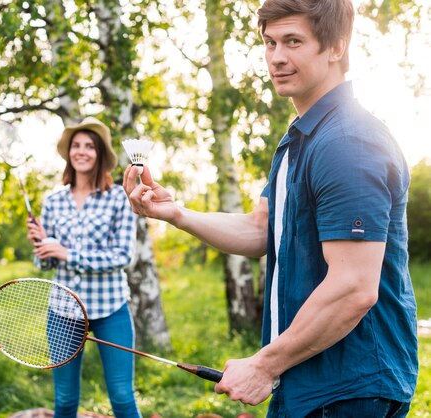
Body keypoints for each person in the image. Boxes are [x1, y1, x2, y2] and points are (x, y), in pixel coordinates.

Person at [123, 0, 418, 416]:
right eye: (269, 42)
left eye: (293, 41)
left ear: (336, 46)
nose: (276, 57)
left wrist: (264, 365)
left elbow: (354, 287)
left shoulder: (347, 142)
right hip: (309, 381)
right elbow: (262, 228)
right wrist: (175, 213)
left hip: (349, 386)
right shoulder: (303, 136)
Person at [26, 117, 141, 418]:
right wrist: (41, 244)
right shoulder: (53, 201)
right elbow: (45, 263)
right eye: (76, 146)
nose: (82, 151)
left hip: (110, 308)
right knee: (64, 401)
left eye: (89, 146)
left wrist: (67, 253)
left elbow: (121, 256)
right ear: (69, 153)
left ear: (100, 153)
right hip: (63, 311)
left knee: (122, 397)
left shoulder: (119, 198)